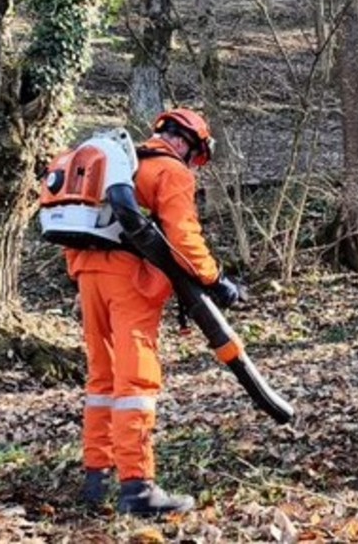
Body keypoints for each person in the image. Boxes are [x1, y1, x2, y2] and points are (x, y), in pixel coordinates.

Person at [65, 107, 239, 515]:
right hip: (132, 281)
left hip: (88, 273)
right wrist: (216, 280)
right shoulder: (170, 172)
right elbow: (184, 239)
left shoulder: (119, 165)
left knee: (101, 379)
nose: (193, 164)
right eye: (195, 156)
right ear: (186, 142)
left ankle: (97, 478)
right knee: (135, 382)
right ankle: (137, 487)